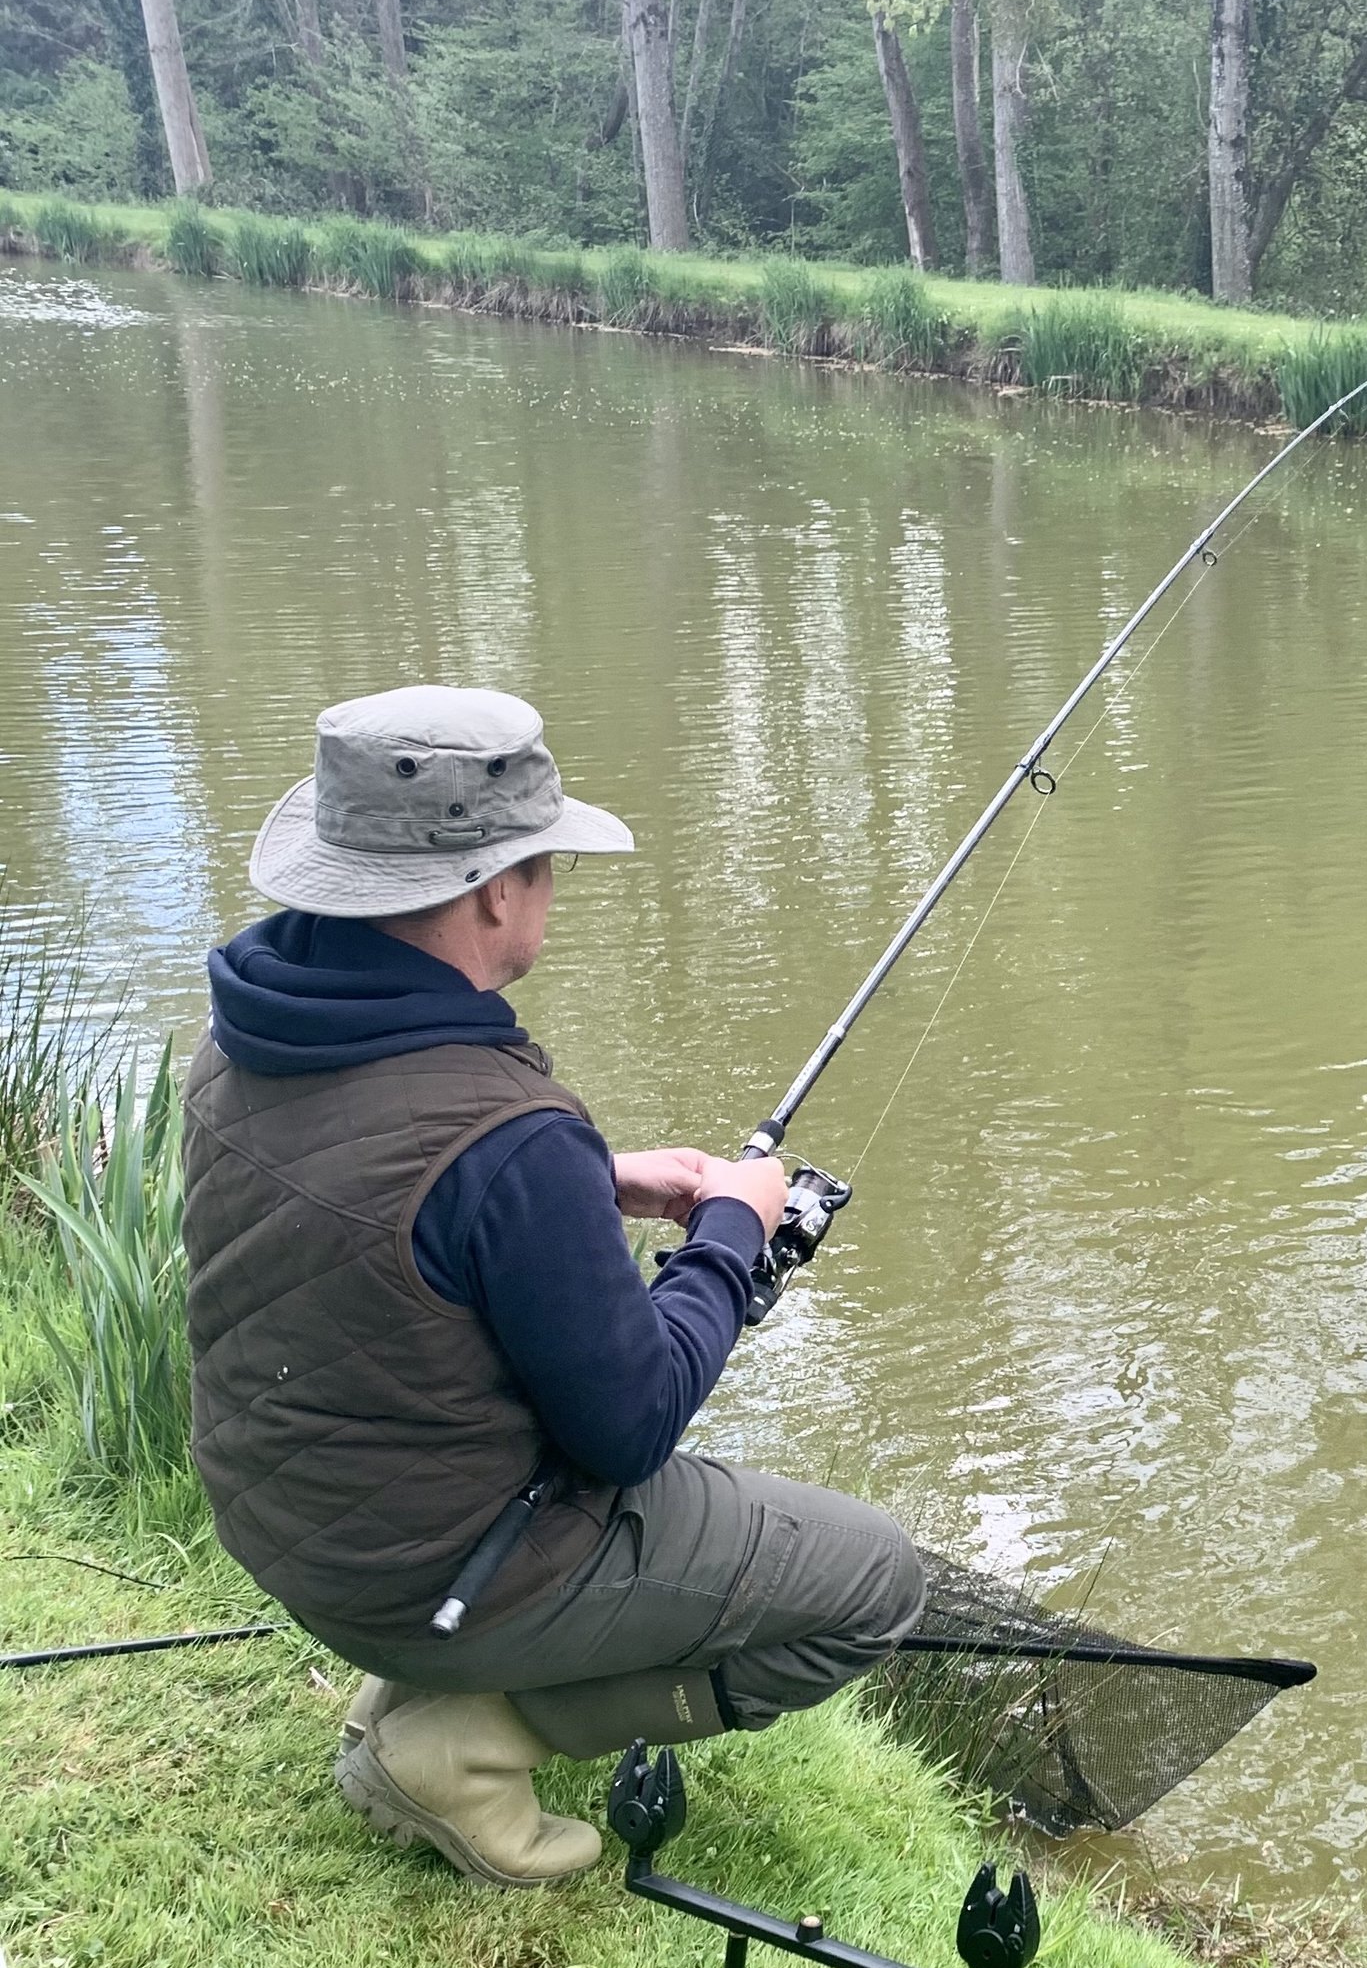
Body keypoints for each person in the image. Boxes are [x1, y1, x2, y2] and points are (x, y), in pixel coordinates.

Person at [181, 682, 925, 1887]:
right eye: (542, 865)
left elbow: (382, 1223)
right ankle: (468, 1742)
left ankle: (432, 1678)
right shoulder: (503, 1138)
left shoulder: (248, 1034)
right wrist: (729, 1238)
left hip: (286, 1533)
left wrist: (595, 1179)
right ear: (490, 891)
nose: (547, 891)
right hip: (427, 1573)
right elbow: (629, 1428)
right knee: (876, 1584)